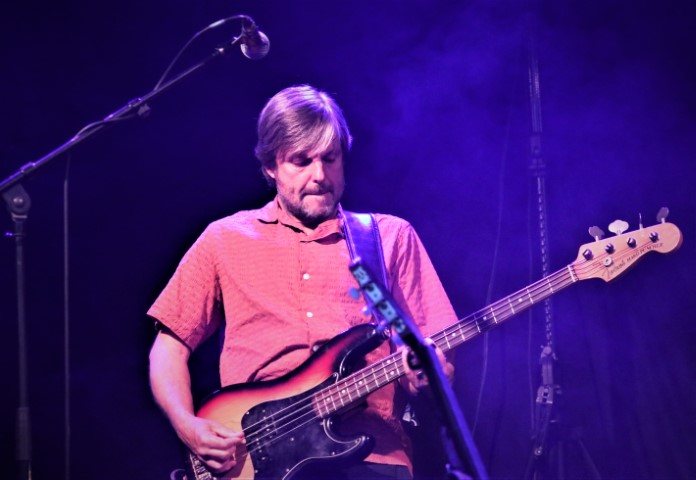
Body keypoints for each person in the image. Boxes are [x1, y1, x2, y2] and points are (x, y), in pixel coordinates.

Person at [148, 84, 457, 480]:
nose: (319, 175)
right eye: (301, 161)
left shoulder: (389, 238)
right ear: (270, 166)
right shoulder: (224, 239)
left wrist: (427, 375)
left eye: (330, 158)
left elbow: (435, 354)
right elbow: (168, 349)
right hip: (257, 465)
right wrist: (187, 425)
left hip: (373, 459)